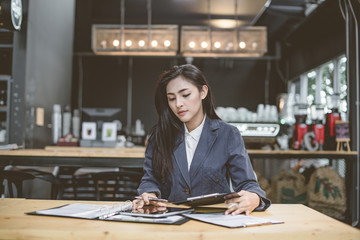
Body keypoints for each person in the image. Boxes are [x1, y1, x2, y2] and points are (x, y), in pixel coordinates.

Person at [133, 64, 270, 215]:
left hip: (214, 223)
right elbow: (150, 179)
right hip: (170, 223)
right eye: (171, 98)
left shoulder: (228, 134)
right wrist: (150, 195)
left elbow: (248, 184)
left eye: (185, 95)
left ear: (203, 92)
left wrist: (254, 197)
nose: (178, 104)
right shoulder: (160, 135)